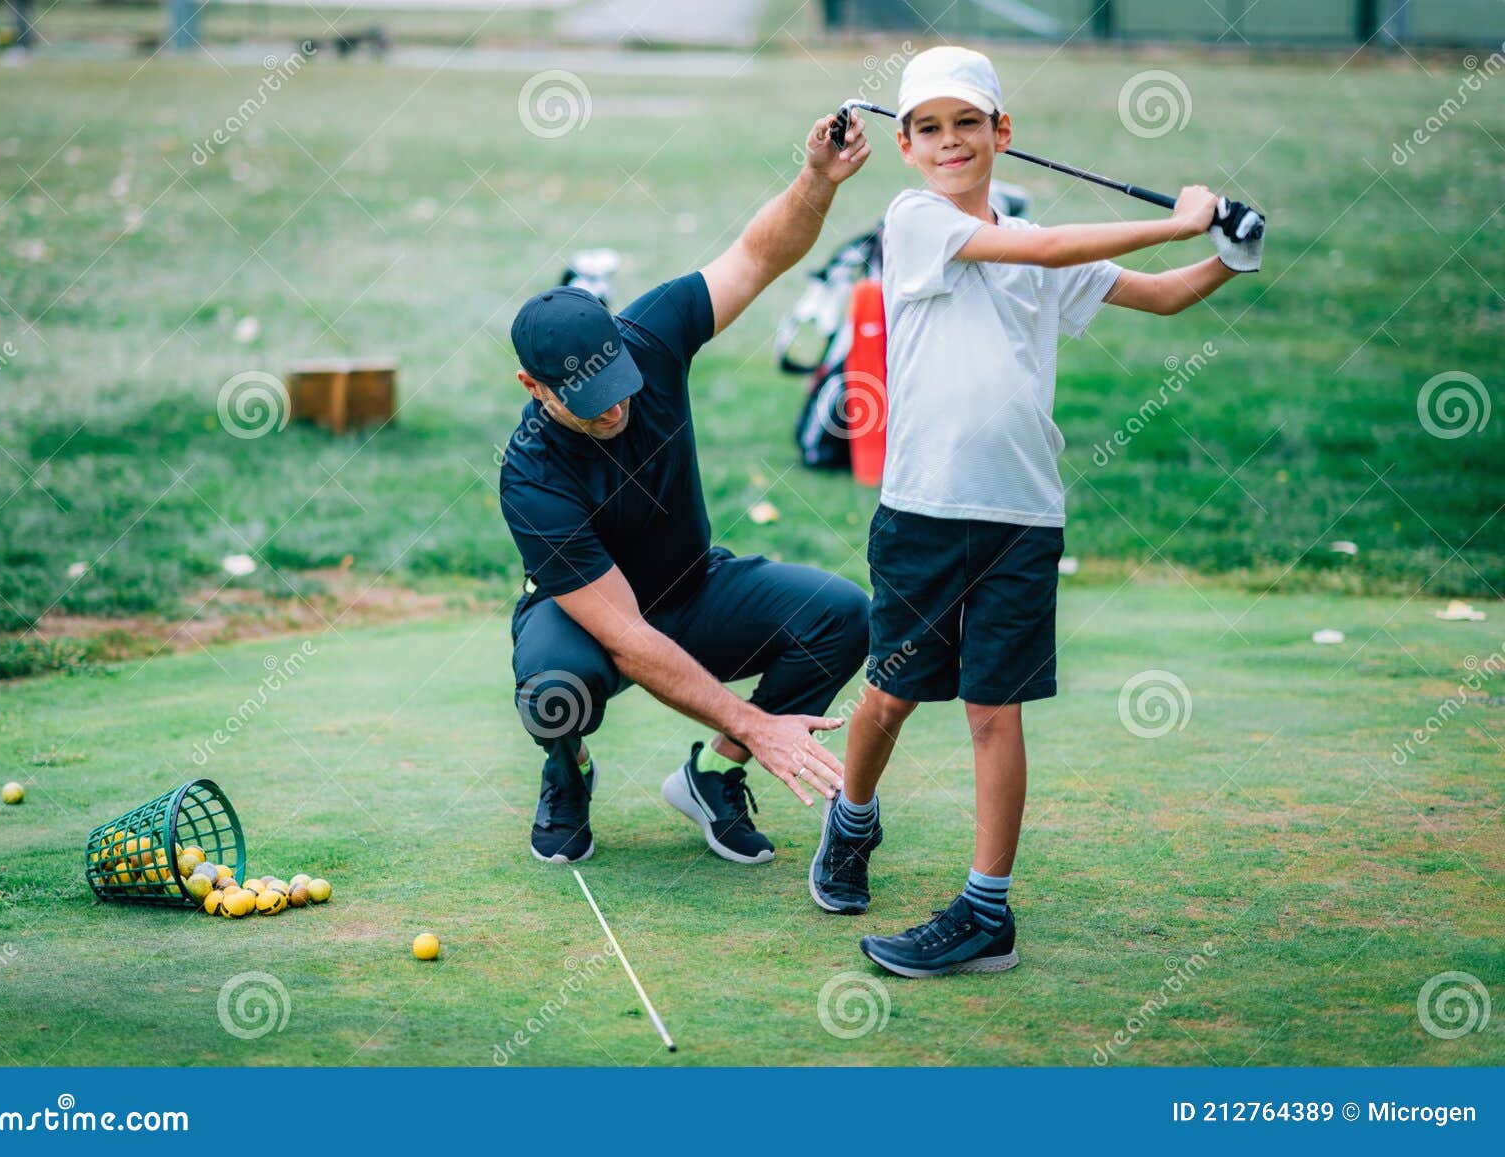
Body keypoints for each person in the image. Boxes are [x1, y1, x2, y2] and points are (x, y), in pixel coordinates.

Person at [806, 46, 1263, 976]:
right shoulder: (915, 221)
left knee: (992, 710)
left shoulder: (1037, 241)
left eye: (966, 124)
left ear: (1001, 134)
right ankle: (853, 819)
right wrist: (1173, 221)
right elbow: (1052, 246)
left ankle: (986, 910)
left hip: (1021, 516)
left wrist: (1226, 257)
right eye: (927, 128)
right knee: (891, 694)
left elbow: (1165, 299)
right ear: (906, 146)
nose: (948, 142)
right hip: (923, 511)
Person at [500, 111, 878, 866]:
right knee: (554, 691)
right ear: (534, 388)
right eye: (588, 398)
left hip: (694, 586)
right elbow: (628, 638)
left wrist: (815, 181)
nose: (615, 407)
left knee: (843, 617)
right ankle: (567, 769)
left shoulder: (652, 333)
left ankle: (712, 776)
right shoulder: (531, 475)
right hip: (592, 622)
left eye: (618, 384)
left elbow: (757, 256)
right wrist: (760, 719)